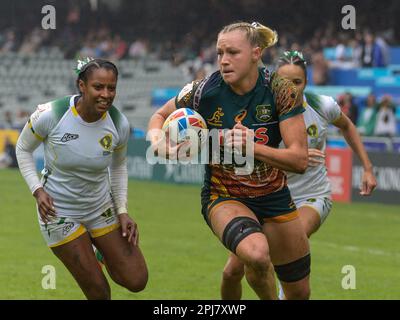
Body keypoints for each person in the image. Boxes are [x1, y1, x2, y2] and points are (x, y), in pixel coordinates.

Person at [148, 22, 311, 300]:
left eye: (233, 52)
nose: (223, 60)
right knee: (257, 255)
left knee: (299, 293)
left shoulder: (281, 91)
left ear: (256, 54)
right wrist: (157, 141)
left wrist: (254, 147)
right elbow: (159, 116)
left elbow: (299, 160)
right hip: (224, 196)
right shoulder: (202, 91)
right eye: (220, 53)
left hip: (274, 196)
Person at [221, 50, 377, 300]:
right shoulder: (258, 111)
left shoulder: (322, 106)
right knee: (232, 272)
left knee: (290, 244)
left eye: (298, 82)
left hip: (311, 196)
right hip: (265, 198)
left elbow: (347, 126)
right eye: (284, 82)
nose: (291, 88)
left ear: (307, 81)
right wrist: (295, 160)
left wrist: (368, 168)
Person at [16, 58, 148, 299]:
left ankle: (99, 251)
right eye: (98, 87)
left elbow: (118, 168)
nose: (106, 94)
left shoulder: (119, 123)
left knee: (137, 279)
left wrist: (122, 210)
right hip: (58, 212)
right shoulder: (51, 114)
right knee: (99, 292)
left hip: (100, 208)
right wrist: (37, 190)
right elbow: (22, 149)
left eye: (112, 88)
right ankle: (85, 245)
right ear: (82, 86)